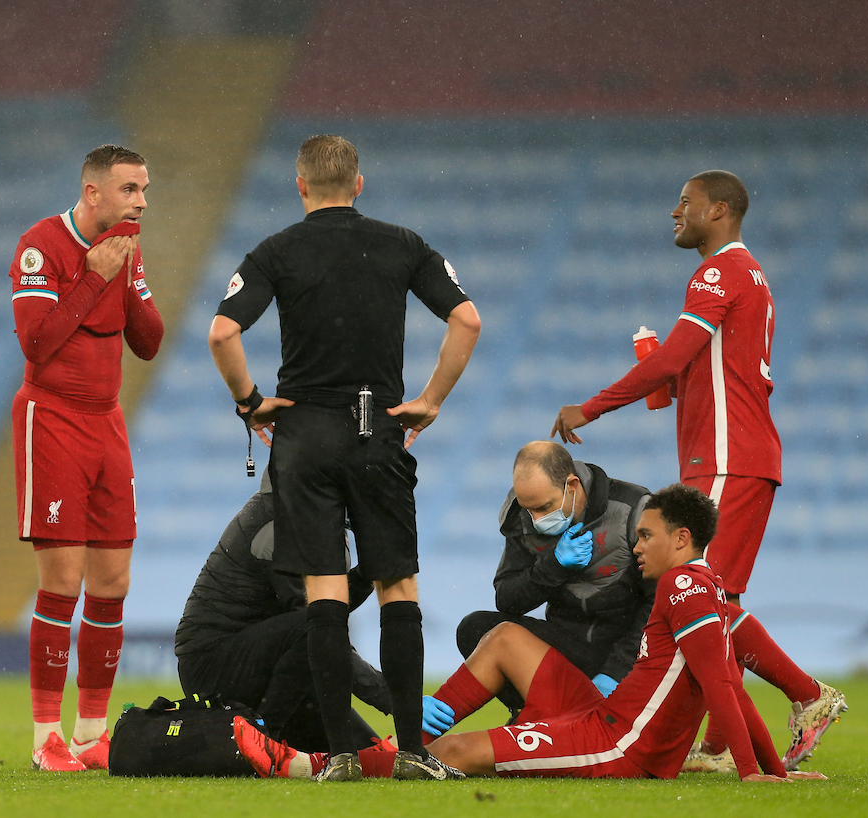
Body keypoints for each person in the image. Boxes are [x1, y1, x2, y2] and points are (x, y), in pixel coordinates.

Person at [234, 485, 827, 783]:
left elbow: (723, 685)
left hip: (621, 744)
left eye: (646, 536)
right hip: (609, 716)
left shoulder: (683, 589)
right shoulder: (710, 588)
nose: (636, 545)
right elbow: (731, 679)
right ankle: (408, 728)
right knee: (502, 638)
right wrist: (772, 771)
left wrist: (757, 775)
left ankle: (314, 765)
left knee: (458, 753)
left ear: (680, 539)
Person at [208, 134, 481, 781]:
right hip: (375, 425)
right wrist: (430, 401)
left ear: (301, 187)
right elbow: (466, 320)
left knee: (324, 591)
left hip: (304, 435)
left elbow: (222, 332)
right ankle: (413, 752)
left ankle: (338, 759)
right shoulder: (403, 244)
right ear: (359, 184)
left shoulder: (276, 251)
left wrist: (251, 403)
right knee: (398, 586)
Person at [552, 170, 786, 764]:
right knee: (714, 601)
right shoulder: (750, 274)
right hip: (740, 454)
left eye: (686, 203)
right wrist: (668, 375)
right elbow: (695, 372)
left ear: (721, 210)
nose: (674, 211)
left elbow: (675, 361)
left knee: (696, 596)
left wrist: (592, 407)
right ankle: (718, 742)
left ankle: (805, 699)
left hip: (728, 459)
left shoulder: (718, 271)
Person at [9, 144, 164, 771]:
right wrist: (96, 274)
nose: (143, 202)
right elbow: (38, 344)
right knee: (62, 582)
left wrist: (129, 278)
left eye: (145, 189)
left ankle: (91, 734)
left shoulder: (127, 251)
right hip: (52, 418)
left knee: (113, 584)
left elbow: (148, 343)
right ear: (93, 192)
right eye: (131, 189)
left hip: (108, 421)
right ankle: (47, 737)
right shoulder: (39, 246)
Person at [174, 472, 393, 756]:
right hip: (214, 668)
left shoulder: (307, 511)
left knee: (370, 757)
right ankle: (264, 738)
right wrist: (392, 698)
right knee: (313, 628)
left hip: (268, 665)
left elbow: (325, 611)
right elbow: (319, 627)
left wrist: (367, 572)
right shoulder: (282, 524)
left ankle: (263, 739)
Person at [454, 440, 653, 717]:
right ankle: (534, 714)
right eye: (529, 509)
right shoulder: (520, 517)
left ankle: (559, 719)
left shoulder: (634, 508)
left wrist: (615, 671)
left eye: (545, 507)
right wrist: (554, 566)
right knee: (475, 629)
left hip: (625, 647)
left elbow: (656, 604)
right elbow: (508, 600)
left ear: (571, 485)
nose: (537, 519)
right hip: (567, 645)